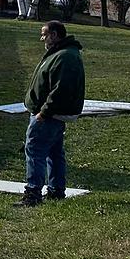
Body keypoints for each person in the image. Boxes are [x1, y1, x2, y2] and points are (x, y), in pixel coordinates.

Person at [15, 20, 85, 207]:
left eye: (44, 34)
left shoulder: (65, 57)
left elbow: (61, 90)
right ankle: (55, 191)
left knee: (35, 151)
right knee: (54, 152)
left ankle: (33, 193)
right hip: (51, 115)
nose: (42, 38)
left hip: (48, 115)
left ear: (54, 35)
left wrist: (44, 113)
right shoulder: (60, 54)